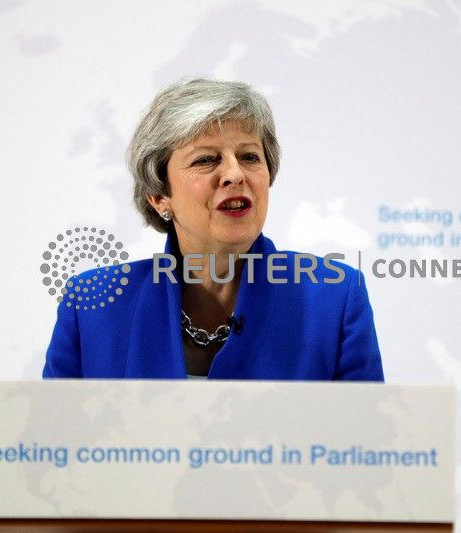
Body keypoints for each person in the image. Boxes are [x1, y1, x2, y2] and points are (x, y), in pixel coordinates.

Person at [43, 78, 383, 380]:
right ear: (159, 196)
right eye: (205, 159)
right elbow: (53, 431)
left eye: (249, 157)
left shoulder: (335, 298)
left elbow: (365, 431)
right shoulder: (92, 307)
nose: (235, 174)